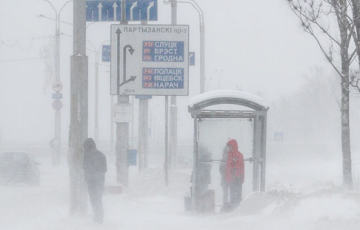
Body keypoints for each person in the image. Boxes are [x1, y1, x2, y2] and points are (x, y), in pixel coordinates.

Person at [83, 138, 107, 223]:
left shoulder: (86, 156)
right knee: (98, 199)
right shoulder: (101, 155)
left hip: (91, 182)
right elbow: (104, 169)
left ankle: (97, 218)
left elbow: (84, 168)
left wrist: (88, 177)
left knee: (94, 200)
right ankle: (99, 217)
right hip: (100, 181)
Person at [225, 139, 244, 211]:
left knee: (236, 195)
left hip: (236, 179)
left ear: (232, 147)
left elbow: (238, 168)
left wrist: (233, 177)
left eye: (228, 146)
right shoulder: (230, 155)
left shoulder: (238, 155)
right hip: (233, 179)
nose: (227, 148)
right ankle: (234, 208)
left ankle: (236, 209)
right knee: (233, 194)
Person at [219, 146, 229, 212]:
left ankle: (226, 204)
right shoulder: (223, 161)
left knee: (226, 192)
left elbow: (220, 170)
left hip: (226, 179)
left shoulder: (222, 161)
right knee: (226, 192)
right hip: (226, 179)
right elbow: (221, 170)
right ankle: (225, 204)